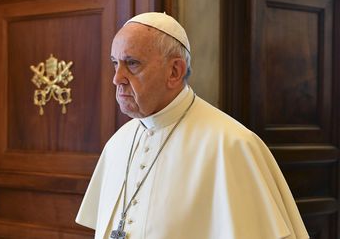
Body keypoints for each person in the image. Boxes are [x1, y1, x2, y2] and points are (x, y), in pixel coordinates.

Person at [75, 12, 309, 239]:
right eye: (115, 63)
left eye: (132, 63)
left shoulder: (230, 144)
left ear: (175, 71)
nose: (117, 78)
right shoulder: (118, 143)